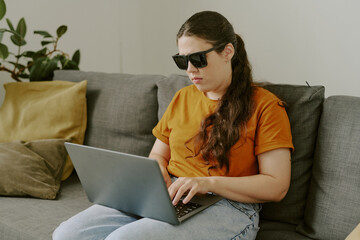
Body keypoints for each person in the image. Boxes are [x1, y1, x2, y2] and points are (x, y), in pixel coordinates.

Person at [53, 11, 293, 240]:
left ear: (227, 52)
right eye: (182, 60)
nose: (190, 69)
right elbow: (159, 152)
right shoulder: (182, 98)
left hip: (230, 206)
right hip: (170, 194)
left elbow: (276, 186)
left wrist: (205, 182)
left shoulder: (266, 106)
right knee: (67, 234)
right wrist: (158, 170)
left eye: (198, 59)